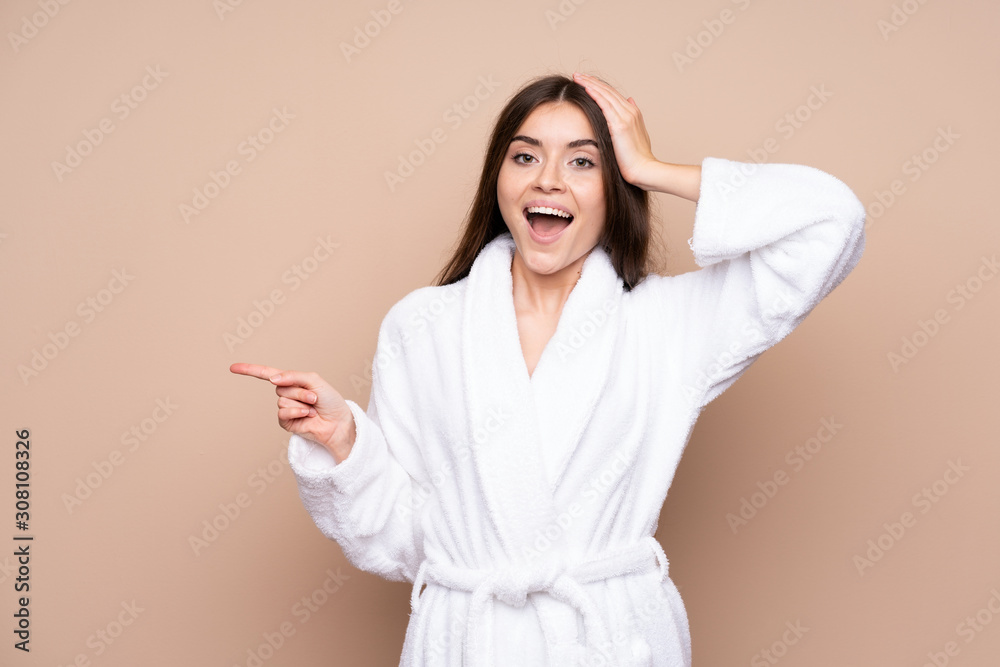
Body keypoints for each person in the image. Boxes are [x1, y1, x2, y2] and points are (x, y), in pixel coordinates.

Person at [231, 71, 866, 666]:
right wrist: (345, 443)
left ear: (614, 188)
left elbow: (830, 221)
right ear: (498, 178)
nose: (548, 180)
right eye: (526, 156)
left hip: (607, 639)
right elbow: (405, 541)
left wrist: (652, 167)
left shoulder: (668, 324)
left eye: (583, 161)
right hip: (467, 640)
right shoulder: (421, 326)